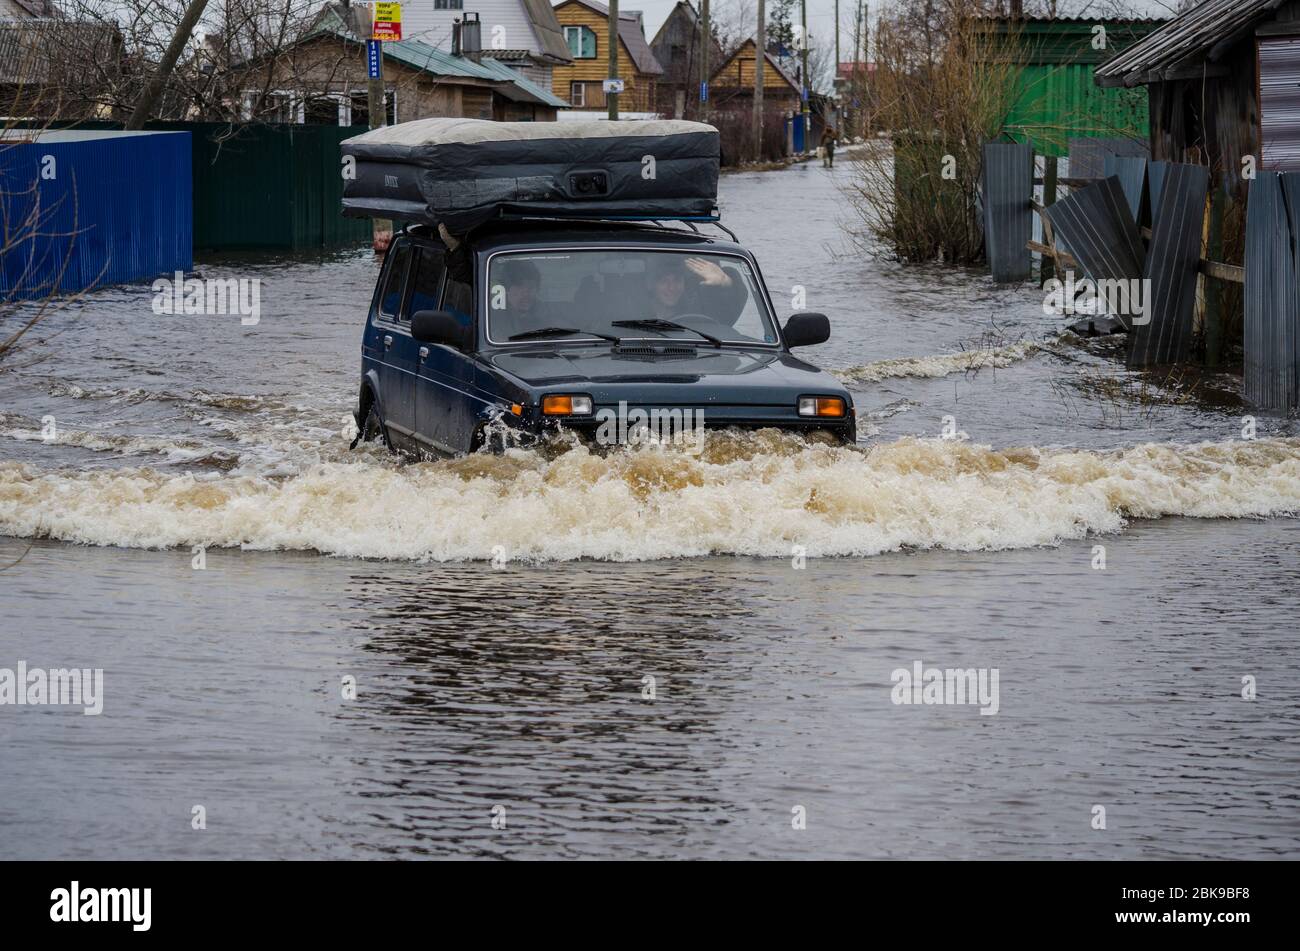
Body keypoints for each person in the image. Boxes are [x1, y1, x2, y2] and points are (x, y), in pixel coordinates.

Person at [644, 255, 747, 328]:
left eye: (677, 280)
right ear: (650, 285)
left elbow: (734, 305)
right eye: (664, 281)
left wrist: (725, 280)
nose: (671, 288)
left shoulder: (701, 311)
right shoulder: (635, 314)